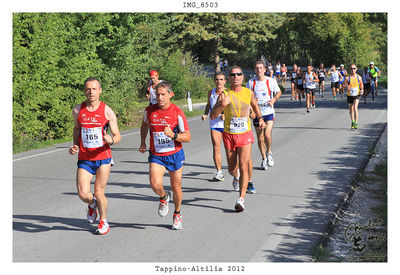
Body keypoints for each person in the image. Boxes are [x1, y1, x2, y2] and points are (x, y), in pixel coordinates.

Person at [69, 77, 122, 235]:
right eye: (88, 89)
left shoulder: (107, 110)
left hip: (103, 157)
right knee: (83, 194)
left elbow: (118, 135)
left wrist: (112, 140)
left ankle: (103, 221)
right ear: (84, 91)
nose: (91, 92)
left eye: (94, 89)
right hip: (85, 158)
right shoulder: (78, 110)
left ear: (100, 91)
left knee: (99, 192)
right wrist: (75, 145)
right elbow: (77, 130)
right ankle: (92, 205)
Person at [210, 66, 265, 212]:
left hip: (245, 134)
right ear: (229, 78)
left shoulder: (248, 92)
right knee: (232, 169)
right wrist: (221, 105)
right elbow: (212, 116)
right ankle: (236, 176)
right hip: (229, 135)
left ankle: (241, 199)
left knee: (244, 164)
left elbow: (255, 105)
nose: (235, 76)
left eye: (238, 74)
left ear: (242, 77)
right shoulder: (224, 94)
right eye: (232, 75)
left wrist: (260, 118)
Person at [139, 81, 191, 230]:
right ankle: (163, 197)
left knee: (176, 187)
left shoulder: (177, 112)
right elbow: (144, 125)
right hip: (157, 155)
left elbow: (187, 137)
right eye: (157, 94)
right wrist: (143, 141)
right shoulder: (149, 111)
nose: (160, 97)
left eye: (163, 94)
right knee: (155, 184)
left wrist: (174, 135)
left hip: (174, 154)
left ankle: (177, 214)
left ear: (170, 94)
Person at [247, 60, 282, 170]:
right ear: (254, 70)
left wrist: (274, 99)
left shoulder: (271, 81)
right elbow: (246, 98)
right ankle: (263, 159)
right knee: (260, 138)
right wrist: (252, 105)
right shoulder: (251, 83)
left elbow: (279, 92)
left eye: (261, 68)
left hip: (268, 112)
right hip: (257, 113)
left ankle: (269, 153)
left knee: (267, 135)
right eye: (257, 68)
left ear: (265, 69)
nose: (259, 70)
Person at [202, 72, 226, 181]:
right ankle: (219, 171)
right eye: (217, 79)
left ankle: (237, 171)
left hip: (227, 125)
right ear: (214, 81)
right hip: (215, 123)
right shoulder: (210, 92)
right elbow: (208, 104)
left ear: (225, 81)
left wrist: (226, 115)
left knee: (231, 150)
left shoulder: (228, 93)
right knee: (216, 147)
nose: (219, 81)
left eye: (221, 79)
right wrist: (206, 114)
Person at [345, 64, 364, 129]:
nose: (352, 70)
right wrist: (346, 86)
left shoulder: (359, 77)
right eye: (351, 68)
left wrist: (362, 90)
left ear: (356, 69)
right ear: (350, 70)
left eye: (354, 68)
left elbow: (361, 84)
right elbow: (343, 85)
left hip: (357, 94)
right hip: (350, 95)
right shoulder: (348, 78)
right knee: (351, 109)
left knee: (355, 108)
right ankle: (352, 121)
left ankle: (356, 122)